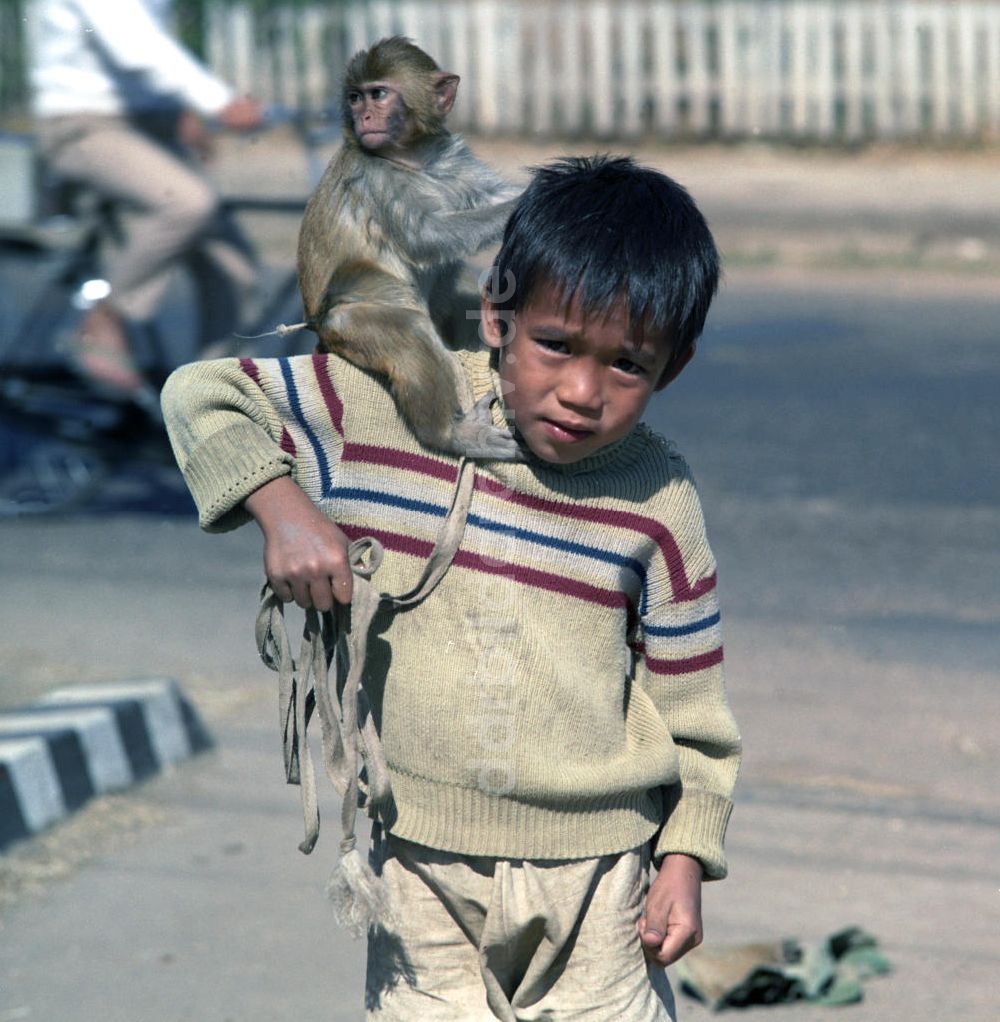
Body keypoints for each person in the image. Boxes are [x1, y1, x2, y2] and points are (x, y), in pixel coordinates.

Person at [161, 154, 742, 1021]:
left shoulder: (659, 499)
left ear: (676, 366)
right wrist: (283, 510)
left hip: (603, 884)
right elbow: (201, 395)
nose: (581, 392)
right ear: (497, 316)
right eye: (556, 345)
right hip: (419, 873)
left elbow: (694, 712)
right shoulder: (392, 407)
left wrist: (685, 863)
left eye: (628, 366)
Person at [25, 0, 265, 407]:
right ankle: (104, 318)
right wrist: (217, 100)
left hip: (148, 125)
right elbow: (131, 41)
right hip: (82, 122)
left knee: (234, 269)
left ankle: (217, 406)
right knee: (188, 203)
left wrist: (177, 110)